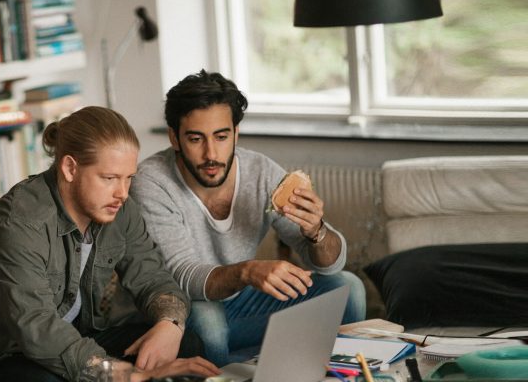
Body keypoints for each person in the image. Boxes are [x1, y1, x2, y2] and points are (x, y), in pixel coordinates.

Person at [0, 106, 220, 382]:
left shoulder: (120, 209)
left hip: (75, 341)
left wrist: (170, 324)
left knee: (185, 344)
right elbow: (38, 331)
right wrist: (129, 375)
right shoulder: (18, 225)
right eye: (109, 178)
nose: (122, 193)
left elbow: (155, 278)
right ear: (70, 168)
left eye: (128, 178)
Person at [130, 70, 367, 366]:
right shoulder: (151, 182)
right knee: (210, 325)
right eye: (195, 139)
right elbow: (182, 275)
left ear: (236, 133)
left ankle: (317, 371)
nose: (211, 154)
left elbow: (331, 264)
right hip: (181, 309)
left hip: (243, 305)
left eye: (221, 136)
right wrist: (246, 272)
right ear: (174, 138)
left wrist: (316, 231)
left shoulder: (262, 173)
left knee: (348, 288)